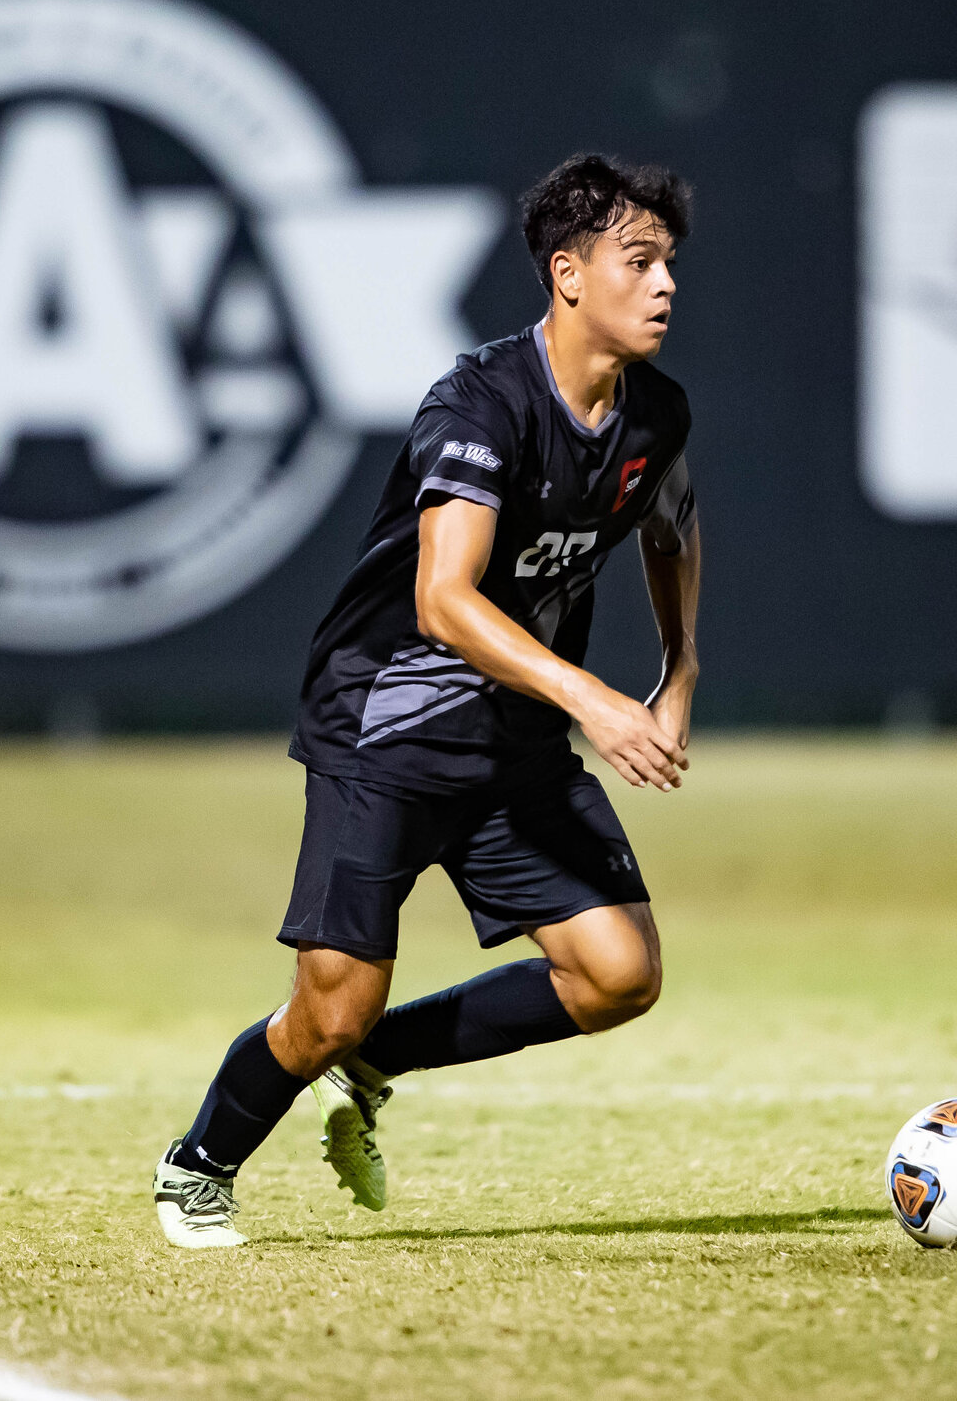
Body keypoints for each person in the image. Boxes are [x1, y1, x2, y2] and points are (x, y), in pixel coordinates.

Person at [152, 153, 703, 1248]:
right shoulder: (480, 402)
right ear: (568, 273)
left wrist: (679, 672)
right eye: (637, 261)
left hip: (515, 736)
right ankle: (199, 1164)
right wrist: (592, 696)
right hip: (387, 728)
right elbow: (443, 600)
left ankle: (375, 1062)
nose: (664, 285)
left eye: (670, 264)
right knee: (327, 1007)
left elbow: (670, 524)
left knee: (617, 972)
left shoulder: (656, 415)